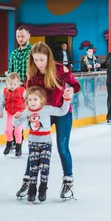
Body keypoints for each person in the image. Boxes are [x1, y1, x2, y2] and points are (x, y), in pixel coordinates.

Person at [16, 42, 81, 200]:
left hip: (62, 111)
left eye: (41, 59)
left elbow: (76, 86)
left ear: (48, 58)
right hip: (44, 113)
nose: (38, 63)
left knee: (62, 146)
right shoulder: (31, 75)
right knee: (35, 147)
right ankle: (27, 180)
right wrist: (24, 112)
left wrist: (70, 92)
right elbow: (30, 98)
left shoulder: (60, 69)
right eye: (36, 59)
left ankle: (68, 181)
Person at [13, 86, 73, 202]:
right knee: (33, 167)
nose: (32, 103)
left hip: (46, 143)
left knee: (44, 167)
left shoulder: (46, 109)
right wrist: (16, 117)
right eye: (30, 100)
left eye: (35, 100)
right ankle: (32, 188)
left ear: (42, 100)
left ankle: (43, 187)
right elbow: (16, 124)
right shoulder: (27, 111)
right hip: (33, 143)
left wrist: (66, 100)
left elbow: (62, 111)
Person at [0, 72, 26, 157]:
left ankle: (18, 147)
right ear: (7, 83)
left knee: (18, 131)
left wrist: (25, 112)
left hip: (20, 114)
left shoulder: (22, 91)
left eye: (15, 84)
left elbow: (27, 101)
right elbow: (3, 102)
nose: (12, 86)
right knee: (8, 130)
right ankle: (9, 143)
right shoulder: (6, 91)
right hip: (10, 113)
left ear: (18, 83)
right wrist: (0, 111)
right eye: (10, 84)